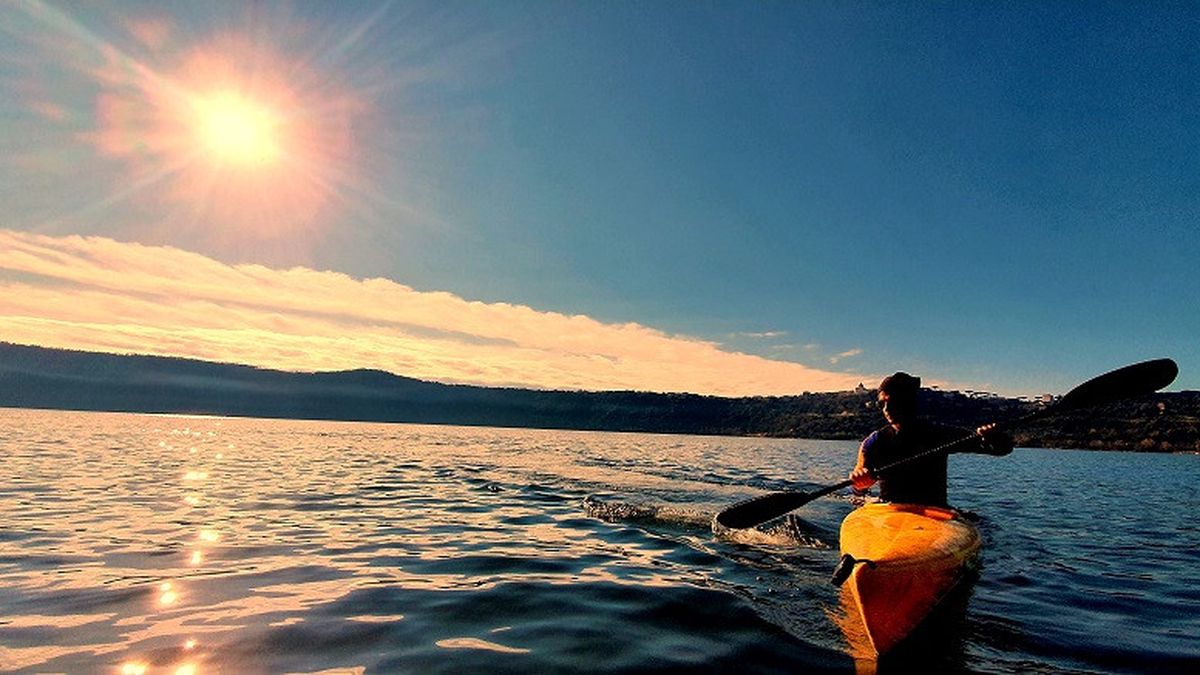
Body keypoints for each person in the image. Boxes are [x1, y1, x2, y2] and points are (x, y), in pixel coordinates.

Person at [848, 372, 1012, 507]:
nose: (886, 409)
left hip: (935, 514)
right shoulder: (874, 442)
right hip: (891, 513)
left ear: (909, 402)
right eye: (881, 404)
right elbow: (858, 490)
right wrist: (860, 483)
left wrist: (996, 437)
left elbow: (1001, 449)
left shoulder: (939, 434)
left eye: (892, 402)